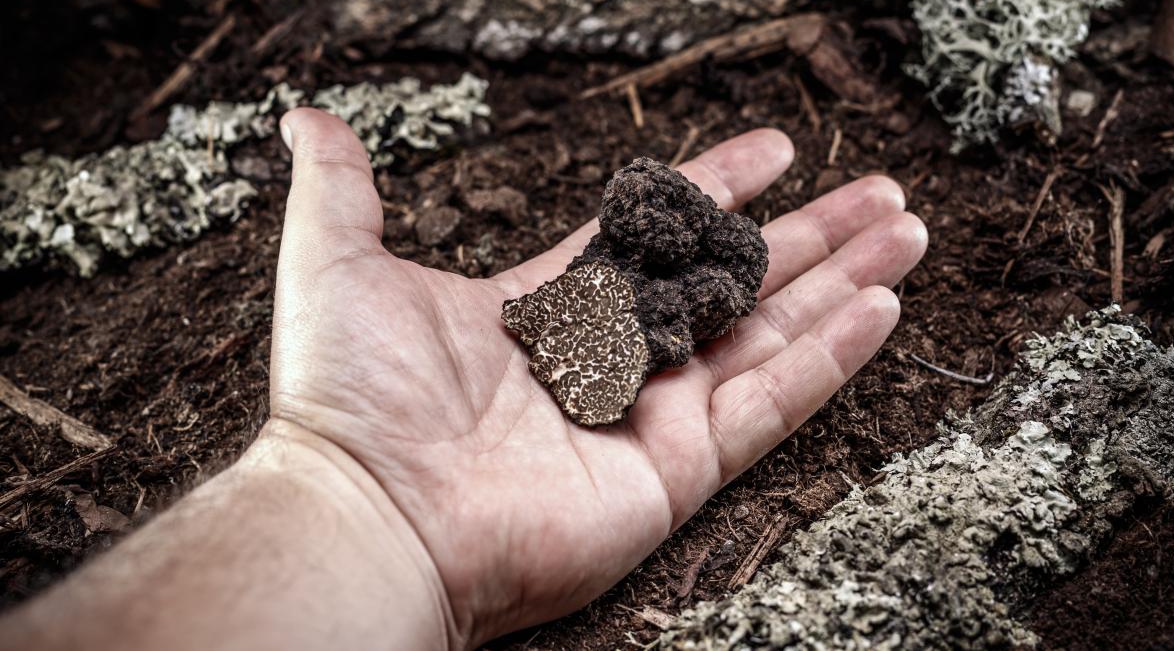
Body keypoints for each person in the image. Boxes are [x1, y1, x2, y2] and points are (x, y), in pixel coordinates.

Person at [0, 108, 927, 650]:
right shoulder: (609, 285)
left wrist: (346, 495)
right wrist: (347, 468)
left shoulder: (669, 293)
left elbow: (691, 302)